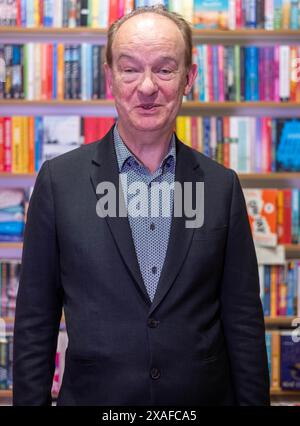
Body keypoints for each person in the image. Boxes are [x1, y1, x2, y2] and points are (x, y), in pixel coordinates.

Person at [13, 6, 270, 406]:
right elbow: (34, 322)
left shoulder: (222, 187)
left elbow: (244, 324)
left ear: (189, 78)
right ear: (110, 77)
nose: (147, 87)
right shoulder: (58, 182)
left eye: (165, 70)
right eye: (130, 69)